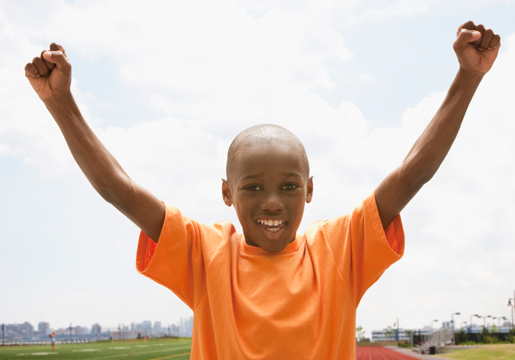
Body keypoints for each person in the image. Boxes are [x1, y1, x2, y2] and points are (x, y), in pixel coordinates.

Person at [24, 21, 500, 359]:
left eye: (289, 186)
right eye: (253, 187)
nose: (273, 201)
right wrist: (62, 104)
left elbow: (412, 173)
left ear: (309, 190)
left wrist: (468, 76)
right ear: (228, 194)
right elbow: (119, 190)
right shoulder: (205, 253)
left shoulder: (339, 249)